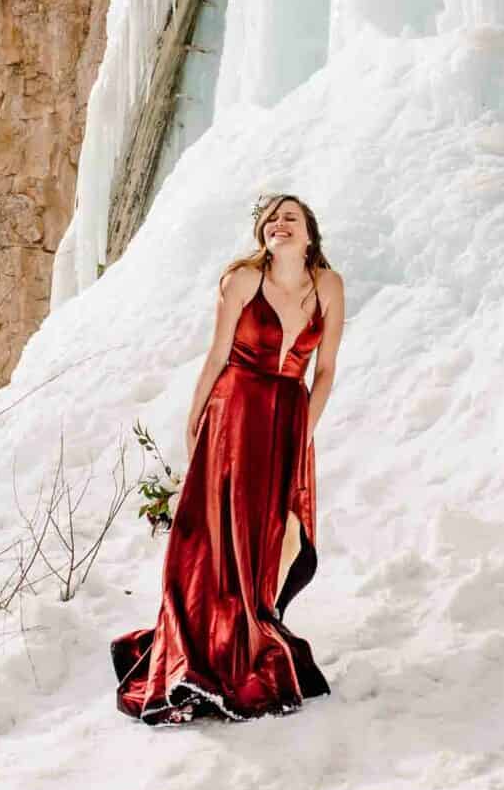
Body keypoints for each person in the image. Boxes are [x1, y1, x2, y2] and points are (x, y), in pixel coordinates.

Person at [112, 193, 346, 723]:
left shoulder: (329, 286)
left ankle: (255, 622)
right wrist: (195, 419)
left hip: (288, 413)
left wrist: (304, 430)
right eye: (270, 219)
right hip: (234, 408)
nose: (279, 224)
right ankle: (213, 639)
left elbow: (326, 368)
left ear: (309, 232)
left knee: (282, 531)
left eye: (290, 217)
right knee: (221, 528)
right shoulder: (242, 279)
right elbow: (218, 353)